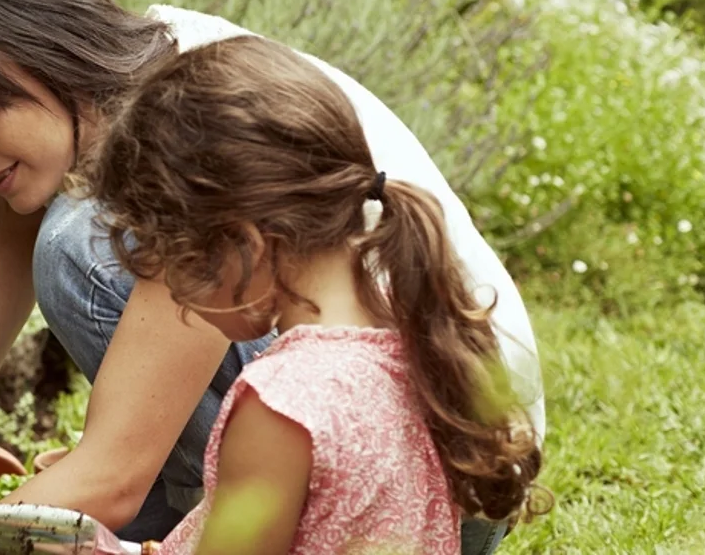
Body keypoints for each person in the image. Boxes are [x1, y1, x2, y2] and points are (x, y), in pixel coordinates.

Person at [0, 0, 544, 555]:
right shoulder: (55, 127)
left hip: (436, 486)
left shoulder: (186, 128)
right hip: (423, 470)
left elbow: (112, 474)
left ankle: (205, 510)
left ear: (50, 51)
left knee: (75, 248)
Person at [87, 33, 548, 553]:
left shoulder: (281, 407)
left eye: (169, 264)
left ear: (243, 245)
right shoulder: (416, 348)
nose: (178, 300)